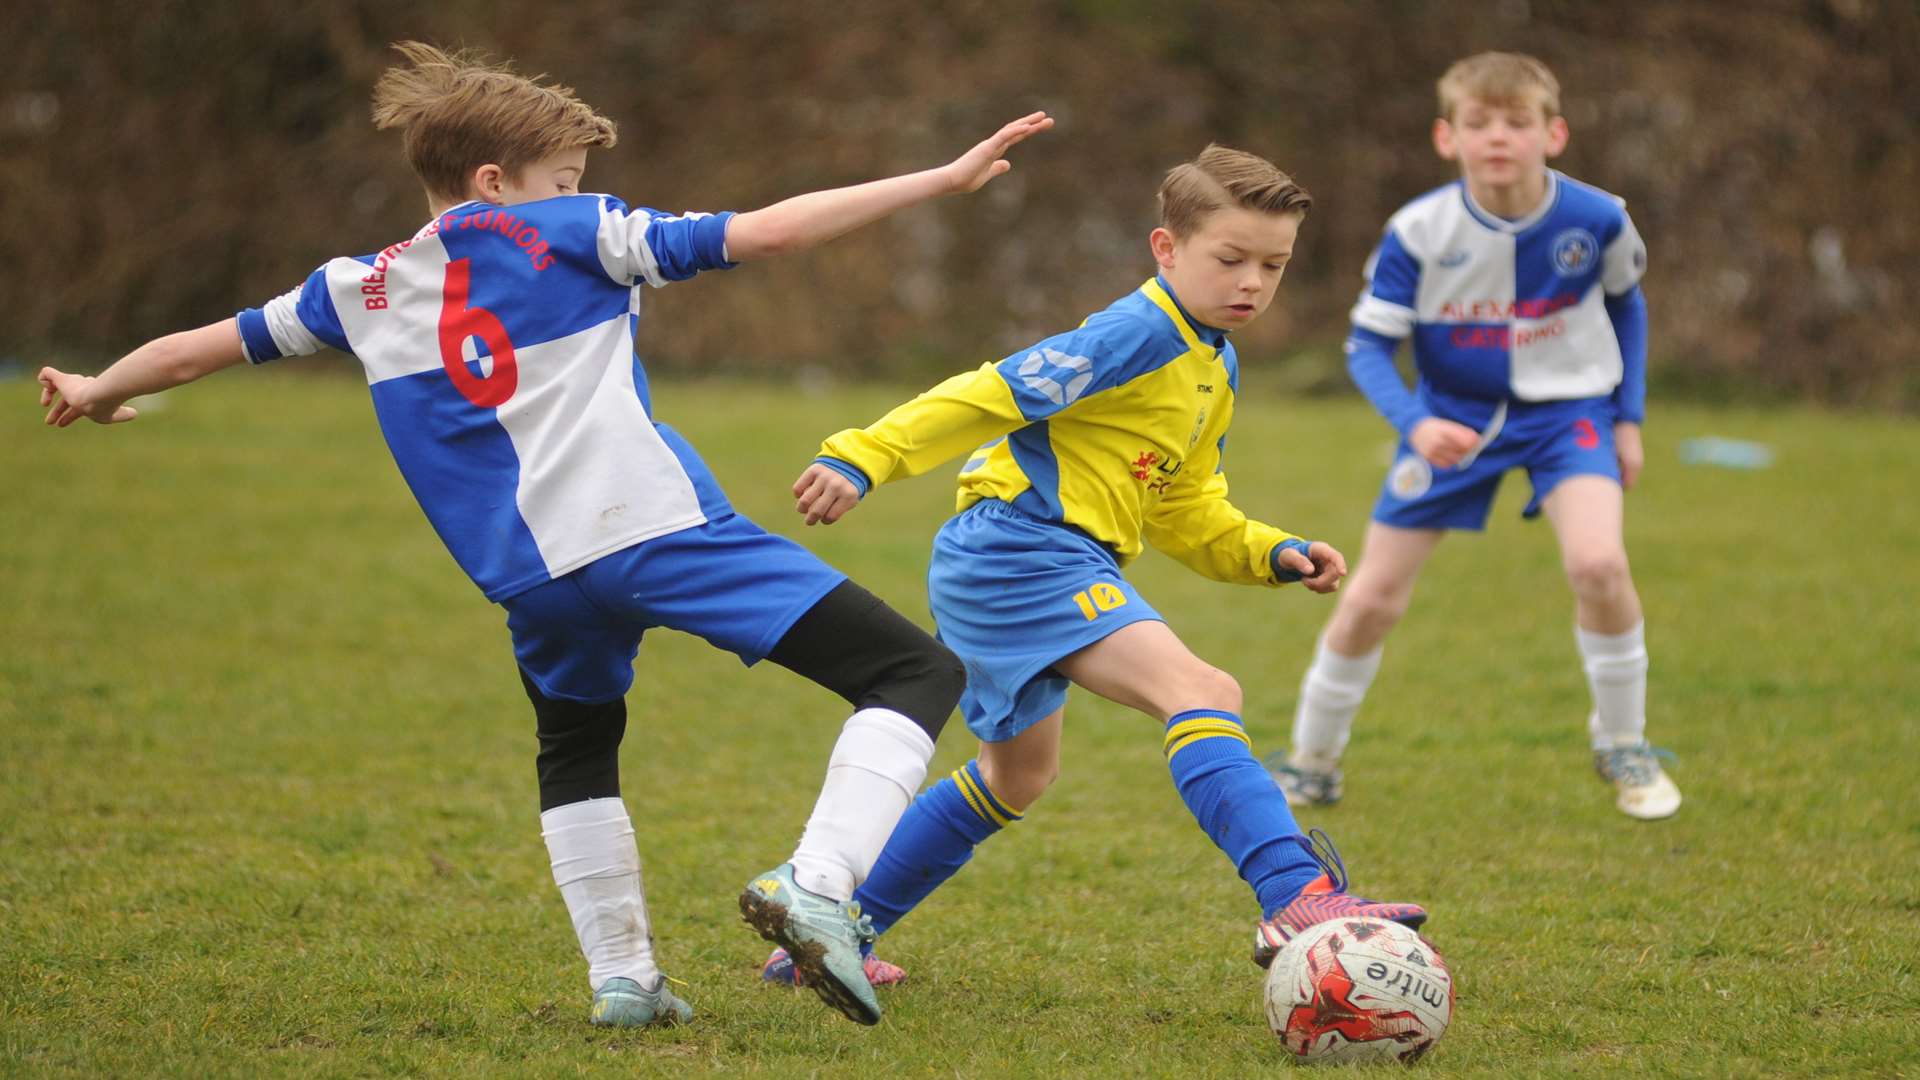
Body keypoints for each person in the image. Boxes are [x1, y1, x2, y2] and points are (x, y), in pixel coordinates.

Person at [34, 40, 1054, 1029]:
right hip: (654, 533)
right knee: (914, 674)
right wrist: (939, 179)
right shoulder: (578, 231)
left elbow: (184, 353)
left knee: (575, 746)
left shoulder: (357, 288)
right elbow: (770, 233)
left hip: (526, 578)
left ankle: (626, 981)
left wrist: (93, 386)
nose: (577, 186)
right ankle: (818, 882)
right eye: (562, 173)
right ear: (494, 179)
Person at [760, 145, 1427, 987]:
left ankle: (825, 939)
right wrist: (864, 457)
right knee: (1204, 691)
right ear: (1166, 248)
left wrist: (1269, 552)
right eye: (1231, 259)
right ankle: (1297, 893)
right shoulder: (1136, 332)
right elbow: (988, 393)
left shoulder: (1212, 359)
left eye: (1274, 265)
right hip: (1022, 548)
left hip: (1028, 555)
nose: (1252, 281)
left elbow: (1181, 501)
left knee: (1017, 777)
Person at [1266, 52, 1680, 821]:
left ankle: (1623, 742)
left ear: (1552, 134)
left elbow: (1628, 306)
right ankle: (1311, 761)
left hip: (1569, 415)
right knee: (1370, 598)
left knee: (1598, 563)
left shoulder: (1598, 218)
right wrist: (1415, 423)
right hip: (1451, 421)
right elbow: (1366, 347)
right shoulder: (1418, 231)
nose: (1498, 137)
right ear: (1445, 137)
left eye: (1516, 122)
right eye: (1478, 122)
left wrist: (1628, 418)